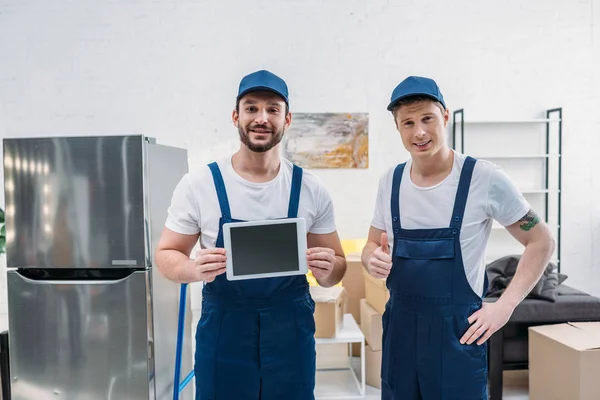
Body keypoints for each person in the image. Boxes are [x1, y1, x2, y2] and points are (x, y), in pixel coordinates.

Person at [155, 69, 347, 400]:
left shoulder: (310, 189)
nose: (262, 118)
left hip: (291, 335)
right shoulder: (200, 185)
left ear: (287, 120)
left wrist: (330, 271)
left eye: (273, 109)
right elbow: (165, 254)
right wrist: (192, 269)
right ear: (236, 116)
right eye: (251, 108)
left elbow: (339, 267)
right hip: (224, 332)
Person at [361, 76, 555, 399]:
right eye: (407, 123)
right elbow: (370, 245)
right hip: (400, 336)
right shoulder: (390, 182)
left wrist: (506, 306)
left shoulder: (484, 179)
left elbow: (542, 240)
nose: (419, 132)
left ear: (445, 116)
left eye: (427, 118)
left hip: (457, 339)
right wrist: (371, 258)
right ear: (397, 129)